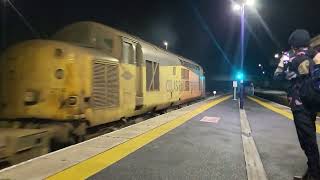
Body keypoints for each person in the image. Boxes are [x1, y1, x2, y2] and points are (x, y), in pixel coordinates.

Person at [274, 29, 320, 180]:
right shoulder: (316, 54)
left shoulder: (288, 56)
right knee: (310, 135)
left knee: (306, 139)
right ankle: (311, 172)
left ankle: (314, 174)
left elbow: (277, 76)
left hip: (298, 102)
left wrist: (289, 74)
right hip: (314, 101)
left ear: (293, 44)